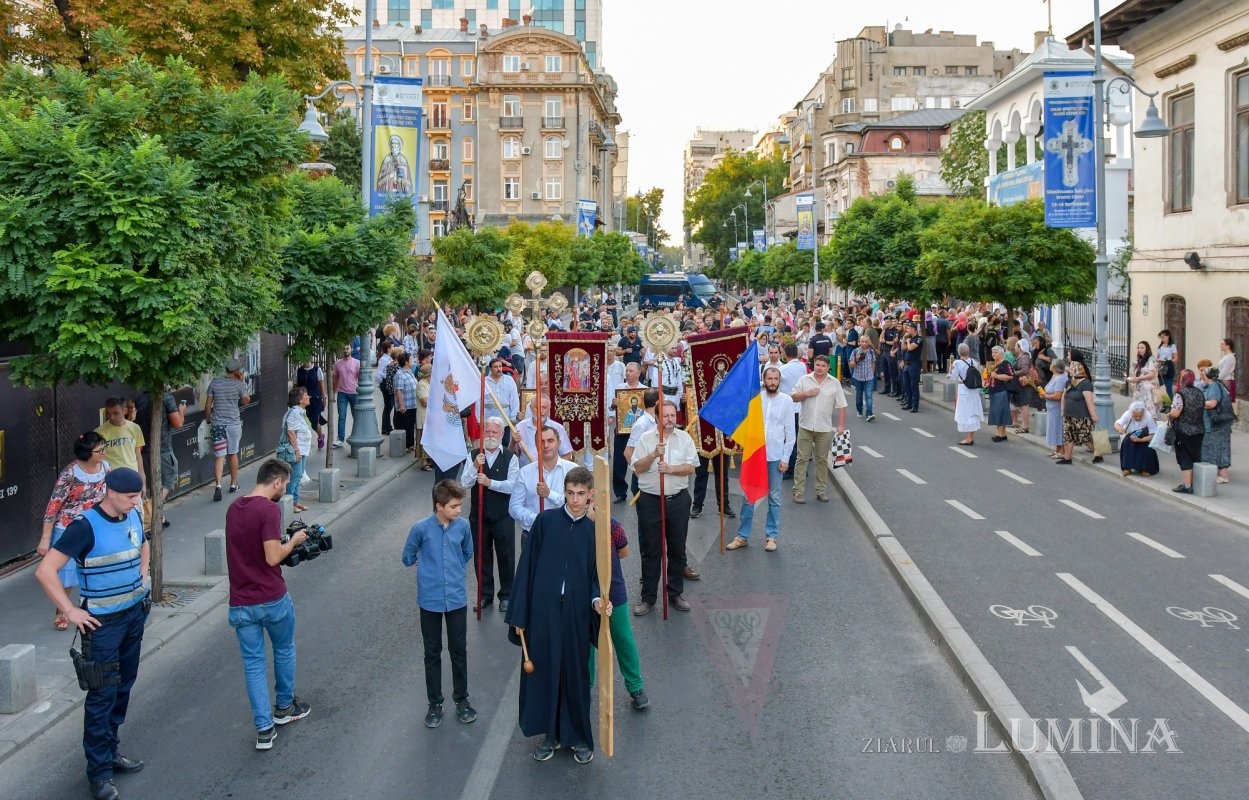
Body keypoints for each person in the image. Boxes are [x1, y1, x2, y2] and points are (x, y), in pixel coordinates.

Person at [35, 467, 150, 800]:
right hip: (102, 626)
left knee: (123, 687)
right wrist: (70, 611)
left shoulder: (132, 516)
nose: (135, 502)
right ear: (111, 493)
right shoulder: (84, 526)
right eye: (131, 497)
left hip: (134, 616)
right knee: (102, 696)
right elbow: (46, 571)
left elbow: (142, 545)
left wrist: (143, 578)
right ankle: (98, 774)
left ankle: (111, 752)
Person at [505, 466, 611, 764]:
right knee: (546, 673)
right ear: (563, 492)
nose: (575, 500)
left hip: (577, 612)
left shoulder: (595, 532)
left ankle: (578, 738)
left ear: (591, 494)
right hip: (544, 613)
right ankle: (549, 736)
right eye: (570, 493)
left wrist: (597, 603)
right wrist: (519, 614)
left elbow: (596, 577)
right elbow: (527, 568)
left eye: (581, 494)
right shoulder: (545, 521)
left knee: (576, 674)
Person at [224, 459, 312, 752]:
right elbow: (273, 557)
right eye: (285, 484)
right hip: (271, 598)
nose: (284, 489)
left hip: (240, 602)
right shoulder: (269, 510)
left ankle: (264, 729)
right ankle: (285, 707)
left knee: (253, 665)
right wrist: (295, 540)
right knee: (284, 649)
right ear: (276, 482)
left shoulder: (234, 508)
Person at [403, 480, 477, 729]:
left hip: (456, 597)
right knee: (432, 653)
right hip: (430, 599)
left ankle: (462, 700)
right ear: (439, 506)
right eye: (454, 506)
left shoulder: (463, 526)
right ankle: (434, 703)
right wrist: (424, 567)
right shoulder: (420, 529)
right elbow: (407, 557)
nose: (459, 510)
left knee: (459, 651)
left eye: (460, 505)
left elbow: (468, 553)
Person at [631, 401, 699, 614]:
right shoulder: (645, 439)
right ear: (658, 417)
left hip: (677, 500)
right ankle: (648, 598)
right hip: (651, 501)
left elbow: (690, 467)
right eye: (665, 416)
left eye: (672, 415)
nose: (670, 419)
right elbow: (637, 469)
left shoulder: (684, 438)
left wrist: (670, 469)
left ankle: (675, 594)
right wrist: (653, 455)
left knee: (677, 549)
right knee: (651, 550)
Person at [41, 433, 112, 631]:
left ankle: (99, 605)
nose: (104, 453)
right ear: (87, 453)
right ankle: (62, 609)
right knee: (66, 573)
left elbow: (109, 494)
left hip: (95, 524)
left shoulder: (106, 468)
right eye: (100, 450)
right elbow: (53, 505)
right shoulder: (70, 473)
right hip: (69, 527)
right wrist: (46, 538)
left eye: (104, 448)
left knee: (97, 565)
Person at [726, 367, 794, 552]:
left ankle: (771, 536)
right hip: (755, 455)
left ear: (779, 380)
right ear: (763, 380)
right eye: (769, 378)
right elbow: (743, 422)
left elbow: (791, 434)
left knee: (774, 497)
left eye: (775, 379)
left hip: (775, 456)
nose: (773, 382)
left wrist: (785, 458)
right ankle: (742, 536)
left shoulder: (787, 401)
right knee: (748, 497)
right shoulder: (754, 401)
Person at [589, 517, 649, 710]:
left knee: (623, 639)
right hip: (583, 594)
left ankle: (635, 686)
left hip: (614, 590)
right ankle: (584, 686)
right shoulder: (572, 525)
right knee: (585, 644)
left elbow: (623, 551)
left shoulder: (611, 524)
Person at [460, 417, 519, 612]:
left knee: (506, 556)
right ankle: (484, 595)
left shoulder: (511, 457)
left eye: (495, 432)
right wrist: (475, 466)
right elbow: (464, 484)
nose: (491, 436)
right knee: (481, 556)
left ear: (502, 434)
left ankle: (507, 595)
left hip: (503, 515)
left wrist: (490, 483)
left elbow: (513, 486)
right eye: (487, 432)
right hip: (479, 516)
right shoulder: (474, 455)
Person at [790, 355, 848, 504]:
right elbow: (794, 397)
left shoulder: (834, 383)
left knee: (822, 460)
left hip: (824, 428)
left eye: (823, 365)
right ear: (813, 365)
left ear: (828, 367)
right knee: (802, 459)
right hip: (805, 426)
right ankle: (798, 491)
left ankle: (821, 491)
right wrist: (806, 394)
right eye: (817, 365)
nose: (820, 368)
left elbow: (841, 405)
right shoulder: (805, 380)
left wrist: (841, 425)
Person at [510, 426, 579, 543]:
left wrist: (549, 494)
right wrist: (537, 519)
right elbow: (514, 507)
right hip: (533, 535)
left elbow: (578, 504)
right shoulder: (525, 472)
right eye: (541, 441)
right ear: (536, 445)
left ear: (559, 443)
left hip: (565, 534)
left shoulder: (573, 470)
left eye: (550, 441)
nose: (546, 445)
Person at [205, 358, 251, 502]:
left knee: (219, 456)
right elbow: (245, 401)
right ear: (237, 371)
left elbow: (207, 406)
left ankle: (218, 485)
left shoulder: (214, 383)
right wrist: (243, 382)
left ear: (226, 371)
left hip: (217, 424)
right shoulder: (239, 385)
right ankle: (233, 484)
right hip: (233, 425)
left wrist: (208, 419)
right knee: (233, 454)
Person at [1168, 369, 1207, 493]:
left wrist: (1169, 413)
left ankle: (1187, 486)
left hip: (1184, 430)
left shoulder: (1180, 394)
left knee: (1185, 457)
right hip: (1199, 429)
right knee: (1195, 456)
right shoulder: (1200, 392)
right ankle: (1194, 483)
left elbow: (1176, 413)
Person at [611, 363, 646, 502]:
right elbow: (616, 409)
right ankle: (620, 492)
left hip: (640, 432)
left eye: (631, 371)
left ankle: (639, 488)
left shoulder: (645, 390)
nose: (628, 373)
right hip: (622, 431)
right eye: (627, 370)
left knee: (638, 459)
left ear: (638, 373)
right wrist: (613, 404)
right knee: (619, 460)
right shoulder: (620, 388)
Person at [95, 398, 146, 492]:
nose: (111, 417)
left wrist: (143, 480)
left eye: (115, 413)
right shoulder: (99, 432)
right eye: (108, 413)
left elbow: (138, 456)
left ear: (125, 411)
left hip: (133, 476)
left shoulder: (135, 428)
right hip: (112, 479)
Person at [278, 386, 313, 513]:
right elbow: (291, 432)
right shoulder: (294, 413)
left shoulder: (299, 412)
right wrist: (297, 451)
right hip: (295, 450)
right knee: (294, 476)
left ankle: (295, 501)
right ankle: (289, 502)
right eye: (306, 395)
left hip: (302, 450)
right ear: (299, 399)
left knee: (298, 477)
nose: (309, 397)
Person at [154, 390, 185, 529]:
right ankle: (154, 514)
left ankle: (159, 516)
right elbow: (178, 423)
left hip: (143, 449)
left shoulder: (140, 397)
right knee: (168, 480)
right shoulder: (166, 397)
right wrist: (181, 411)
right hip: (162, 448)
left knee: (152, 486)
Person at [1058, 362, 1097, 465]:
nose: (1069, 371)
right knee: (1068, 436)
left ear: (1077, 370)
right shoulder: (1069, 382)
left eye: (1071, 369)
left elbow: (1089, 401)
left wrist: (1093, 416)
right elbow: (1064, 396)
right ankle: (1067, 458)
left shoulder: (1086, 383)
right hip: (1068, 415)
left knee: (1086, 438)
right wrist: (1062, 410)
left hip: (1081, 416)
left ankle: (1098, 454)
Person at [1200, 366, 1233, 485]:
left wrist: (1198, 402)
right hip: (1220, 423)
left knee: (1218, 447)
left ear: (1207, 376)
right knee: (1220, 447)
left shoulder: (1214, 386)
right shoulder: (1217, 384)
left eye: (1203, 373)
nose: (1201, 374)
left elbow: (1212, 403)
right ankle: (1221, 474)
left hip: (1217, 424)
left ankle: (1223, 476)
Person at [1114, 401, 1160, 478]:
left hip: (1144, 436)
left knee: (1146, 447)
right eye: (1135, 416)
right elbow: (1117, 424)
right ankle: (1127, 468)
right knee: (1126, 442)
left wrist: (1141, 440)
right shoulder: (1127, 414)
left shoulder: (1148, 416)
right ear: (1132, 413)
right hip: (1131, 435)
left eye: (1140, 416)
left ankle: (1145, 469)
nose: (1138, 418)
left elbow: (1153, 435)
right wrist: (1120, 429)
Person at [951, 344, 984, 446]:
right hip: (973, 389)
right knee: (973, 411)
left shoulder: (957, 363)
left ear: (959, 352)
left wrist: (950, 367)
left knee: (965, 413)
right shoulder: (974, 362)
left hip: (963, 389)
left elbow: (953, 376)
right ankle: (971, 437)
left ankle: (968, 438)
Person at [296, 358, 327, 450]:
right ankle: (303, 442)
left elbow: (321, 385)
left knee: (314, 423)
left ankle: (321, 436)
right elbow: (295, 387)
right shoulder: (298, 371)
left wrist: (324, 398)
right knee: (304, 422)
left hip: (315, 400)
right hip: (303, 401)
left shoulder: (317, 370)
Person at [331, 345, 359, 448]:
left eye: (347, 348)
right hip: (342, 393)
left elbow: (360, 378)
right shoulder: (338, 363)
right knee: (341, 417)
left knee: (356, 416)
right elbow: (335, 379)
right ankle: (340, 439)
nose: (345, 350)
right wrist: (334, 393)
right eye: (343, 348)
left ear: (351, 349)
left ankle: (356, 436)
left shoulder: (357, 363)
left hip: (354, 393)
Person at [1041, 359, 1070, 458]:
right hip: (1051, 408)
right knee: (1053, 428)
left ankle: (1062, 451)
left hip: (1057, 408)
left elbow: (1058, 395)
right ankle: (1057, 450)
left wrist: (1045, 396)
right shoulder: (1054, 376)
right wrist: (1044, 394)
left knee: (1058, 428)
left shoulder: (1061, 378)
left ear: (1054, 367)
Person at [986, 346, 1014, 443]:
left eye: (996, 352)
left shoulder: (1005, 364)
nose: (994, 354)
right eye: (993, 352)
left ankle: (1000, 434)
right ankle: (1003, 434)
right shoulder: (996, 364)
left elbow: (1010, 376)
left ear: (1002, 353)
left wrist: (997, 376)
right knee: (998, 412)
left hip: (1001, 390)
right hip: (994, 390)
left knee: (1000, 412)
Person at [1125, 341, 1159, 418]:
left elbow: (1152, 374)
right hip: (1139, 390)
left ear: (1147, 349)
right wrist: (1132, 379)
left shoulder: (1151, 359)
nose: (1140, 349)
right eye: (1139, 348)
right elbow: (1136, 372)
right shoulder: (1139, 360)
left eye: (1142, 347)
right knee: (1138, 411)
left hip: (1148, 390)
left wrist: (1139, 378)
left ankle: (1151, 428)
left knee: (1149, 411)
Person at [393, 352, 419, 452]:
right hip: (405, 405)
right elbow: (398, 390)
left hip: (412, 404)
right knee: (404, 425)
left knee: (410, 425)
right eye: (410, 359)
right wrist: (401, 405)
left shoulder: (409, 372)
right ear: (406, 362)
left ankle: (410, 444)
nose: (412, 360)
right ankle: (404, 445)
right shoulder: (400, 374)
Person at [849, 335, 877, 422]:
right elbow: (851, 365)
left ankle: (869, 413)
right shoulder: (855, 351)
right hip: (858, 377)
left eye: (866, 342)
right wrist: (856, 360)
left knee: (869, 396)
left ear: (868, 342)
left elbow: (873, 363)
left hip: (869, 377)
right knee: (859, 395)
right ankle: (859, 410)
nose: (864, 343)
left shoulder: (871, 352)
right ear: (859, 342)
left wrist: (872, 373)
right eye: (862, 341)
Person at [900, 321, 922, 412]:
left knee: (913, 385)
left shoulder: (918, 338)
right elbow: (903, 348)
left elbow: (910, 348)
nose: (907, 329)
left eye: (909, 328)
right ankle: (908, 403)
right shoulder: (909, 338)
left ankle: (915, 406)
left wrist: (908, 341)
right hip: (907, 364)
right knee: (906, 384)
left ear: (914, 329)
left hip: (914, 364)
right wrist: (905, 338)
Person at [415, 364, 432, 470]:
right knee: (423, 439)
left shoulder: (429, 383)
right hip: (423, 417)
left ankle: (429, 460)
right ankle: (424, 462)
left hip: (430, 417)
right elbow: (424, 401)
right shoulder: (422, 384)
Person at [1156, 330, 1179, 399]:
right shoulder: (1160, 347)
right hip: (1161, 368)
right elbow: (1157, 357)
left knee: (1168, 387)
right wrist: (1159, 360)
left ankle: (1171, 404)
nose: (1162, 339)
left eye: (1163, 337)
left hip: (1169, 367)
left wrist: (1167, 361)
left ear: (1168, 336)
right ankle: (1164, 404)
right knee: (1162, 387)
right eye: (1161, 337)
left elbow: (1176, 359)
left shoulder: (1172, 346)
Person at [1218, 337, 1237, 403]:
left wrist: (1217, 379)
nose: (1220, 345)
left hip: (1227, 382)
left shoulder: (1230, 357)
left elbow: (1225, 371)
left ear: (1228, 346)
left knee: (1226, 402)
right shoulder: (1226, 356)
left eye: (1222, 344)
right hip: (1223, 381)